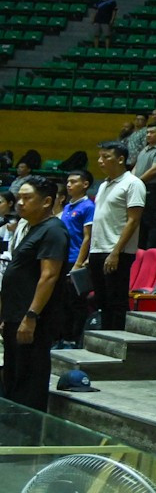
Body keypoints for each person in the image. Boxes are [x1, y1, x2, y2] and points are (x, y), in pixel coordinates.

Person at [2, 175, 68, 410]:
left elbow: (49, 276)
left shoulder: (53, 231)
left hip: (32, 319)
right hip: (15, 316)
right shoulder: (32, 228)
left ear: (47, 201)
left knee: (29, 379)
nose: (20, 203)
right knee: (14, 375)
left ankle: (28, 436)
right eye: (19, 198)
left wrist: (31, 317)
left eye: (27, 198)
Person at [88, 140, 145, 333]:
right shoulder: (104, 185)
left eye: (106, 157)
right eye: (100, 157)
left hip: (116, 251)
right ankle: (103, 339)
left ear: (121, 159)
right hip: (98, 250)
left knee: (116, 301)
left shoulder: (133, 184)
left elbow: (133, 220)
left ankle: (116, 342)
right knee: (101, 301)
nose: (100, 161)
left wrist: (116, 252)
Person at [132, 124, 156, 248]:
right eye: (147, 132)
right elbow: (136, 167)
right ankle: (140, 248)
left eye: (152, 132)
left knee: (150, 219)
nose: (148, 135)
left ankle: (152, 248)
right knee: (140, 219)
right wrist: (131, 181)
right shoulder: (145, 149)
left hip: (152, 188)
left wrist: (137, 182)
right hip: (140, 187)